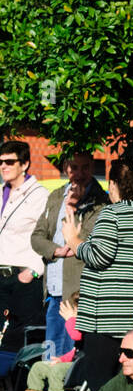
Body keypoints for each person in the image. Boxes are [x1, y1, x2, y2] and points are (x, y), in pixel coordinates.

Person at [58, 158, 133, 391]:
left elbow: (99, 255)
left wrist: (73, 239)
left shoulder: (112, 214)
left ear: (114, 185)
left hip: (105, 317)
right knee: (128, 383)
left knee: (101, 385)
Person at [30, 149, 108, 358]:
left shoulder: (100, 201)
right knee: (50, 354)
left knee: (70, 357)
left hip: (77, 292)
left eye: (85, 167)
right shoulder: (56, 196)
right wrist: (55, 250)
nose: (79, 173)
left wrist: (72, 209)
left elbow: (89, 242)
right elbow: (37, 236)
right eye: (74, 167)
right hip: (53, 290)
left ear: (93, 168)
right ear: (66, 168)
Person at [0, 140, 51, 356]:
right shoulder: (2, 192)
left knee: (20, 346)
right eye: (1, 162)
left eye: (10, 162)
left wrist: (33, 270)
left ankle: (23, 389)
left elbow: (49, 236)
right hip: (1, 276)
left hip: (23, 278)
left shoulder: (39, 195)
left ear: (25, 164)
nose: (3, 166)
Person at [8, 294, 79, 391]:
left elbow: (76, 335)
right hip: (72, 361)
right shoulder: (74, 320)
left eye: (75, 310)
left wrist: (70, 319)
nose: (73, 313)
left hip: (82, 366)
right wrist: (62, 359)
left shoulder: (83, 323)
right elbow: (75, 350)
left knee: (57, 371)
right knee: (38, 368)